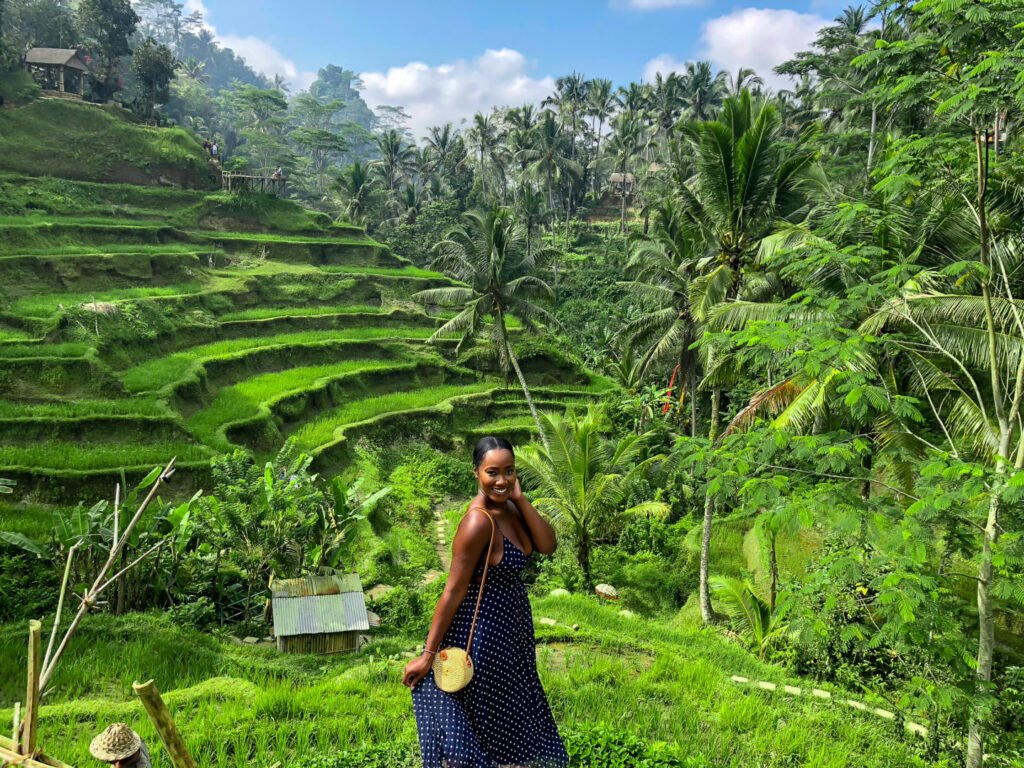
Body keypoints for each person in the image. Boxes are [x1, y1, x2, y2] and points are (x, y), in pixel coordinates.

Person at [404, 437, 568, 767]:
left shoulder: (510, 507)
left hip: (512, 629)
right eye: (492, 472)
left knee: (508, 707)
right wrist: (427, 654)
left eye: (509, 472)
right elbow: (453, 590)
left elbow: (548, 545)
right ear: (476, 472)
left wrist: (520, 500)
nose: (502, 480)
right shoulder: (478, 521)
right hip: (485, 632)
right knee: (489, 712)